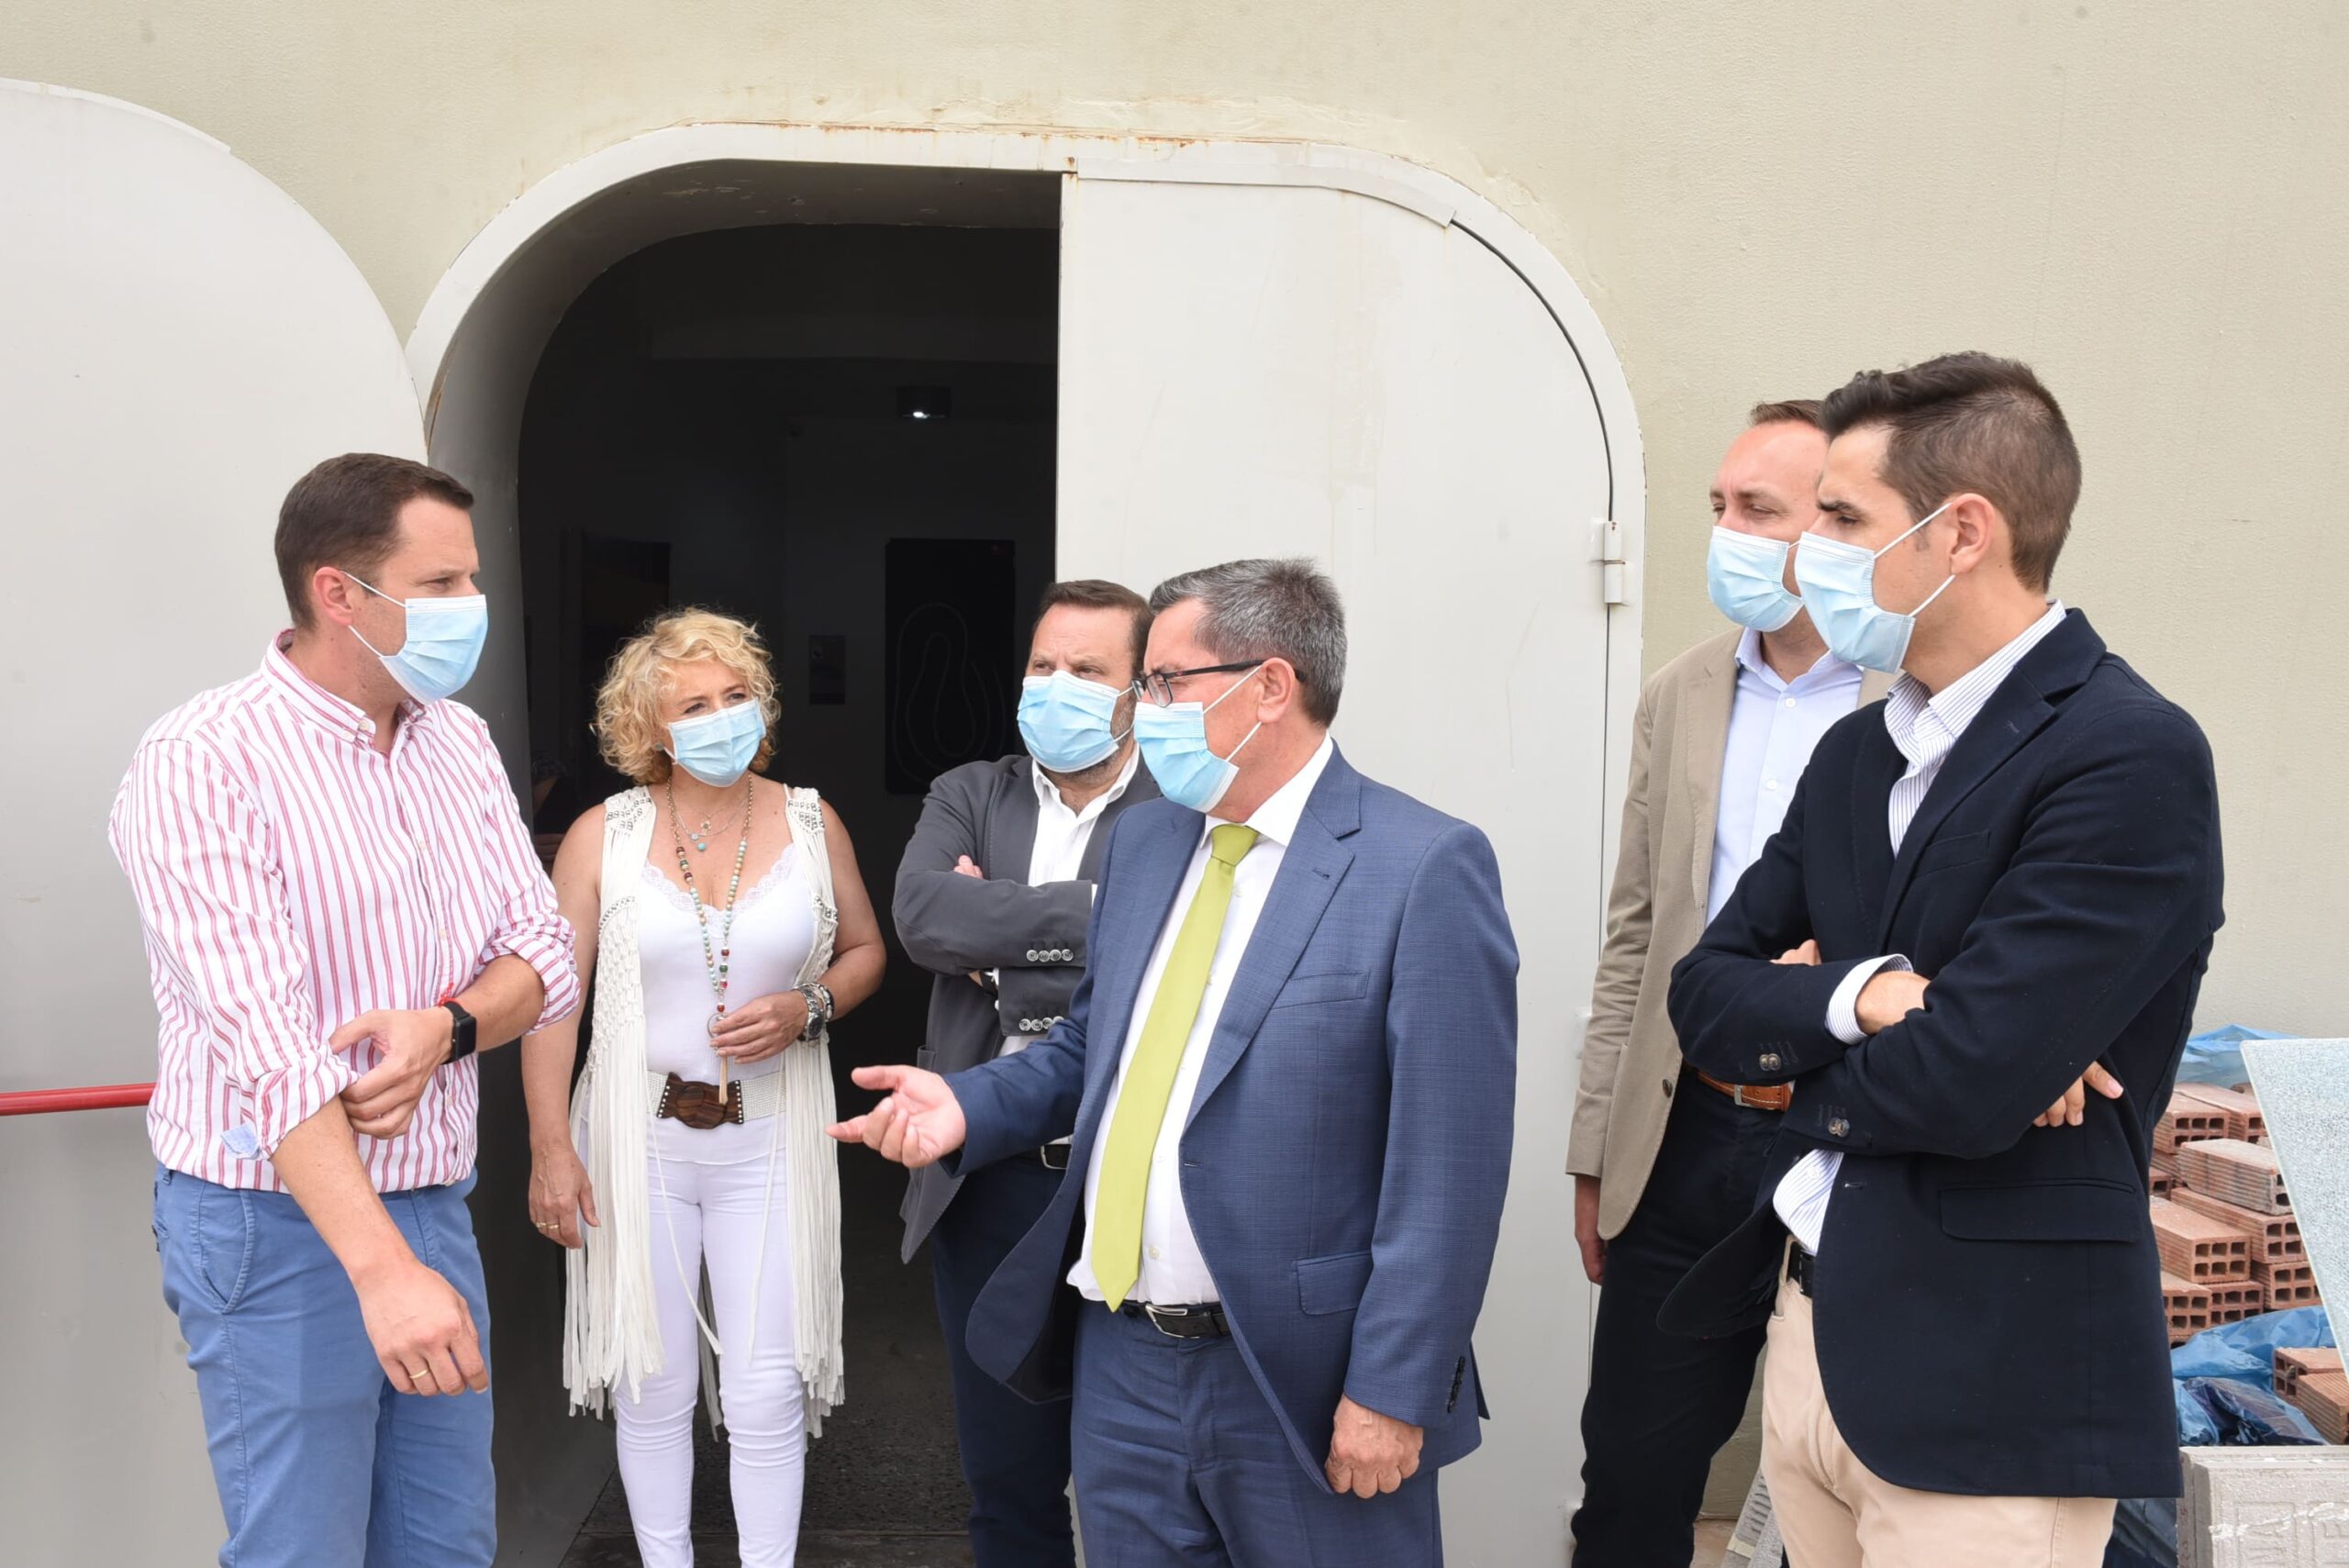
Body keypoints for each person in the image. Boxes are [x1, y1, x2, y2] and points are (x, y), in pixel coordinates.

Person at [832, 557, 1518, 1568]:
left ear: (1270, 686)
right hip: (1123, 1363)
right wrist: (968, 1106)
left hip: (1301, 1375)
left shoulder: (1421, 866)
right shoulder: (1151, 842)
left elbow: (1449, 1170)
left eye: (1161, 682)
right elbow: (1091, 1047)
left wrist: (1392, 1387)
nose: (1138, 709)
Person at [1662, 353, 2223, 1568]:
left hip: (1988, 1383)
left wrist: (1792, 1048)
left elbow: (1967, 1079)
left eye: (1842, 520)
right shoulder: (1857, 754)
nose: (1806, 554)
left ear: (1960, 532)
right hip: (1812, 1339)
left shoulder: (2127, 754)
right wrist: (1871, 995)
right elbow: (1703, 996)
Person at [109, 452, 580, 1568]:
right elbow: (271, 1051)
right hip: (275, 1219)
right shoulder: (203, 760)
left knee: (444, 1546)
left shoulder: (456, 740)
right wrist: (381, 1272)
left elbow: (546, 955)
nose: (473, 606)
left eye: (472, 579)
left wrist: (448, 1025)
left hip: (431, 1201)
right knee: (302, 1549)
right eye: (441, 583)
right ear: (338, 593)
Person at [1565, 399, 1891, 1566]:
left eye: (1759, 509)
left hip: (1847, 1131)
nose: (1727, 533)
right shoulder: (1681, 691)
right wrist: (1596, 1147)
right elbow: (1634, 932)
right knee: (1633, 1471)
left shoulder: (1905, 695)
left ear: (1838, 527)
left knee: (1838, 1472)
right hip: (1685, 1127)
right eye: (1718, 506)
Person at [520, 609, 887, 1568]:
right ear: (648, 725)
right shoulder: (603, 834)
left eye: (736, 695)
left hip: (772, 1136)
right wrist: (550, 1148)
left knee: (768, 1389)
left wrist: (808, 1005)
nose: (722, 716)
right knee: (652, 1384)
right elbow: (553, 1000)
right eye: (693, 704)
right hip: (634, 1137)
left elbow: (865, 950)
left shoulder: (810, 820)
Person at [891, 579, 1162, 1567]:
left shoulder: (1181, 804)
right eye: (1043, 665)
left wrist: (1003, 942)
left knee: (1138, 1478)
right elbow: (925, 916)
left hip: (1128, 1181)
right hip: (991, 1178)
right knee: (1008, 1483)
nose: (1057, 686)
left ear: (1138, 691)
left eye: (1087, 670)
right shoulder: (971, 791)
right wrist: (1095, 915)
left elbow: (1177, 945)